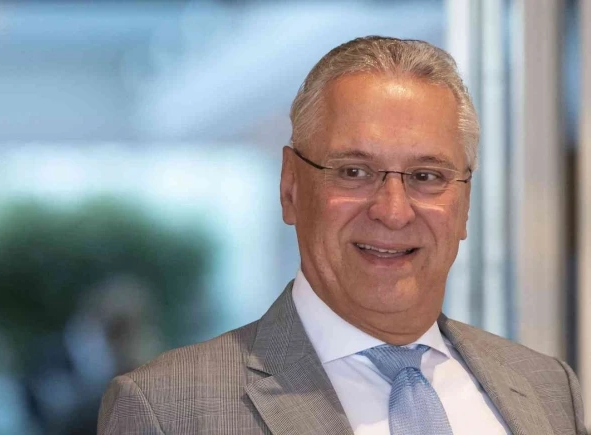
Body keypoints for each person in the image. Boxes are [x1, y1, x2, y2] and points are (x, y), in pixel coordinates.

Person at [97, 36, 585, 435]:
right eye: (354, 171)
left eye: (426, 176)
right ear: (290, 187)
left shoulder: (549, 389)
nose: (393, 212)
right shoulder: (168, 410)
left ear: (464, 203)